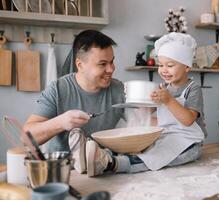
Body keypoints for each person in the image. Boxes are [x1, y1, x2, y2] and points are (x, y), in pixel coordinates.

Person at [69, 32, 207, 177]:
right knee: (142, 148)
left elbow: (188, 119)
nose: (163, 70)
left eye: (170, 65)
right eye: (160, 65)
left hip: (188, 143)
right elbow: (154, 114)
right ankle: (94, 155)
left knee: (157, 157)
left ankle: (110, 164)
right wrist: (143, 105)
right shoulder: (165, 88)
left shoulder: (193, 88)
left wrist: (168, 100)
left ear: (187, 67)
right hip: (166, 136)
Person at [23, 30, 125, 158]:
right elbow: (26, 137)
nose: (111, 69)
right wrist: (60, 122)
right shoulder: (57, 90)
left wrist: (157, 101)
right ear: (80, 65)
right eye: (103, 64)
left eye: (112, 62)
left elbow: (144, 122)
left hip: (105, 168)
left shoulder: (119, 89)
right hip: (64, 171)